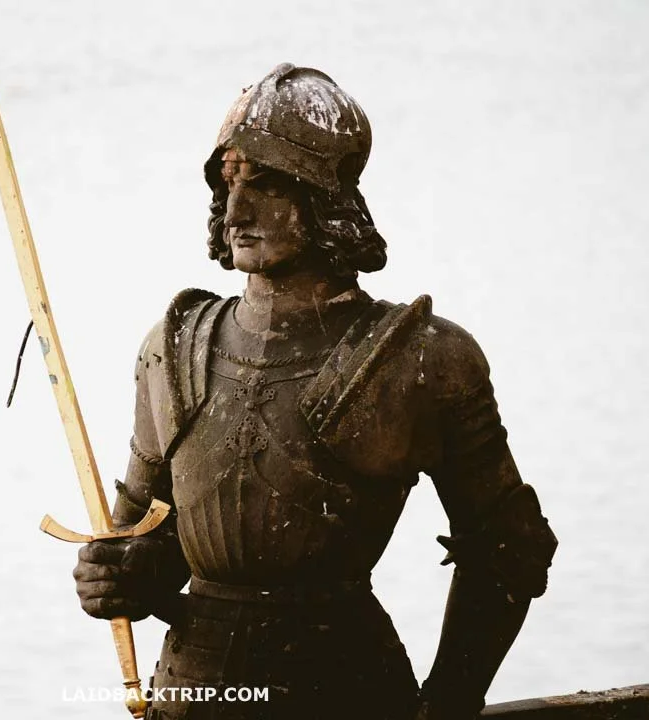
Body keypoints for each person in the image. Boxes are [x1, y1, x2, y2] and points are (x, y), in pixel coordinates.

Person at [73, 63, 557, 720]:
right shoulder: (174, 344)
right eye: (228, 182)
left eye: (265, 183)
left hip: (348, 694)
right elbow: (146, 533)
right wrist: (122, 574)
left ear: (323, 196)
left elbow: (509, 550)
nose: (236, 210)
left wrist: (449, 702)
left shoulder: (421, 358)